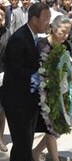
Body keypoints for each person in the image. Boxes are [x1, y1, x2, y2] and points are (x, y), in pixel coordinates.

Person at [2, 2, 51, 161]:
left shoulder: (31, 36)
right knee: (23, 143)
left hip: (26, 99)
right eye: (45, 19)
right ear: (34, 20)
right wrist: (41, 76)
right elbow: (16, 71)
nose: (48, 23)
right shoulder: (19, 39)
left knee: (23, 141)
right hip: (17, 101)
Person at [32, 14, 72, 161]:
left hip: (60, 93)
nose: (65, 36)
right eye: (62, 32)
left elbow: (70, 65)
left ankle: (36, 152)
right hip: (41, 93)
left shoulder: (65, 46)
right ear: (53, 28)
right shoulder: (40, 44)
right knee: (51, 128)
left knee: (56, 128)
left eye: (68, 32)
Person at [0, 7, 10, 152]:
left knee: (1, 110)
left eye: (2, 15)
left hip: (2, 75)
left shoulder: (7, 33)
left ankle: (0, 139)